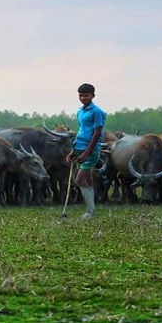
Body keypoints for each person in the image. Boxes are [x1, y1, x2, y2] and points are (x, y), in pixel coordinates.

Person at [65, 83, 106, 220]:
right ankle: (91, 210)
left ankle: (90, 211)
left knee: (80, 179)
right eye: (81, 95)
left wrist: (87, 153)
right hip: (79, 146)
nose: (83, 98)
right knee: (87, 179)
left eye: (86, 95)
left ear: (93, 96)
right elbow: (82, 131)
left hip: (91, 149)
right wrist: (73, 151)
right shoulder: (80, 111)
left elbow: (96, 133)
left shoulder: (97, 112)